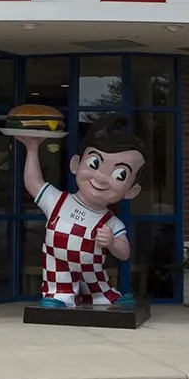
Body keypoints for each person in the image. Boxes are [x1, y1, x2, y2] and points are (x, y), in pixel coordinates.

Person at [20, 113, 146, 308]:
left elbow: (125, 253)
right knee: (60, 290)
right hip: (58, 266)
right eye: (94, 163)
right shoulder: (58, 201)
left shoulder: (111, 222)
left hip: (92, 270)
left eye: (120, 175)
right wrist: (32, 148)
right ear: (75, 164)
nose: (101, 178)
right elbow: (33, 182)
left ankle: (102, 295)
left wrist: (112, 242)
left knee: (100, 292)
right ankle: (60, 295)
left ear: (132, 191)